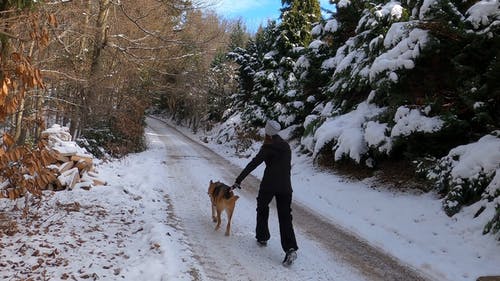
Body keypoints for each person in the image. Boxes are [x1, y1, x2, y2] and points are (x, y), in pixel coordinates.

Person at [232, 120, 298, 266]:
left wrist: (238, 180)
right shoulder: (286, 146)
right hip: (286, 187)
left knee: (262, 207)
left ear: (268, 132)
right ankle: (290, 248)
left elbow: (253, 164)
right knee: (285, 217)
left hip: (269, 185)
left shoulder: (268, 147)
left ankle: (262, 236)